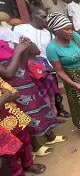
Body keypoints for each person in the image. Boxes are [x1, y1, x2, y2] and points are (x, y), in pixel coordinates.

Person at [1, 37, 65, 157]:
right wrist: (17, 52)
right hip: (14, 89)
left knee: (41, 110)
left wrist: (24, 49)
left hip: (26, 84)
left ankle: (50, 137)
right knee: (27, 117)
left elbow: (23, 65)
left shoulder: (3, 43)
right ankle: (36, 146)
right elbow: (8, 73)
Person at [0, 41, 47, 175]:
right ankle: (18, 172)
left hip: (13, 113)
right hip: (2, 124)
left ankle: (28, 164)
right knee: (9, 151)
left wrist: (9, 95)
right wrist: (7, 96)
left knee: (24, 139)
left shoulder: (4, 44)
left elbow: (14, 93)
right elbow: (8, 90)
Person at [26, 42, 62, 124]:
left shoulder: (40, 59)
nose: (38, 48)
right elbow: (41, 76)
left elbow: (52, 69)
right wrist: (46, 70)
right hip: (42, 90)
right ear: (31, 51)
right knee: (47, 106)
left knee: (52, 104)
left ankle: (54, 120)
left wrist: (45, 70)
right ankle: (49, 123)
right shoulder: (30, 63)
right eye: (36, 47)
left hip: (50, 88)